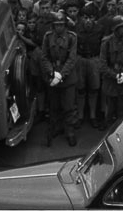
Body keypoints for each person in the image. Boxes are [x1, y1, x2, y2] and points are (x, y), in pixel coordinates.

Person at [42, 12, 80, 146]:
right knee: (54, 106)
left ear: (65, 25)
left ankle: (70, 131)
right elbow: (44, 57)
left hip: (67, 77)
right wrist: (52, 72)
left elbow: (72, 59)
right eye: (56, 25)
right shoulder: (48, 37)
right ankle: (57, 127)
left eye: (61, 25)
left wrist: (61, 75)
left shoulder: (71, 37)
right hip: (52, 75)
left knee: (69, 106)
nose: (59, 27)